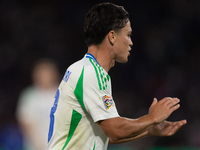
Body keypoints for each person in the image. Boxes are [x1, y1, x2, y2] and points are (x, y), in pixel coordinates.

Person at [47, 2, 186, 150]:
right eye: (128, 35)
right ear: (112, 36)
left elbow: (102, 135)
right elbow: (115, 131)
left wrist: (149, 129)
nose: (131, 42)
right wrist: (152, 118)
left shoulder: (85, 70)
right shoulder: (90, 73)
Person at [16, 59, 60, 150]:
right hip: (36, 146)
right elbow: (26, 121)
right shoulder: (30, 96)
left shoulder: (63, 93)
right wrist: (38, 144)